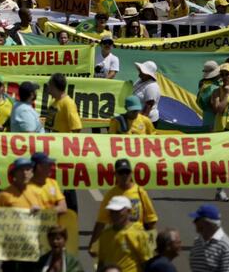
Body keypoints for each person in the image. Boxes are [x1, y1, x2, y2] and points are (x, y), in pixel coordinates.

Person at [89, 159, 158, 249]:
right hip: (118, 242)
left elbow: (150, 221)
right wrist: (93, 244)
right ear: (116, 175)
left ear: (131, 174)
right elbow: (101, 222)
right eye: (121, 173)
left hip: (138, 242)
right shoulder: (111, 194)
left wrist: (153, 245)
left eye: (127, 172)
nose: (124, 175)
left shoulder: (140, 192)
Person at [45, 72, 81, 212]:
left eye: (50, 86)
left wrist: (68, 150)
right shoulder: (54, 102)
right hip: (53, 148)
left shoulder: (68, 103)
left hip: (62, 151)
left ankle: (72, 214)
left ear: (55, 87)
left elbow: (76, 128)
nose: (48, 89)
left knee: (67, 184)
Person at [96, 195, 153, 272]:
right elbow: (101, 262)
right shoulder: (105, 235)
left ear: (129, 211)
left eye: (118, 211)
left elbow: (148, 263)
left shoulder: (139, 234)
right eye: (112, 211)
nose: (114, 215)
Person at [189, 204, 229, 272]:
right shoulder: (198, 242)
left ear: (207, 222)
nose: (194, 222)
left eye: (197, 219)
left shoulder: (226, 246)